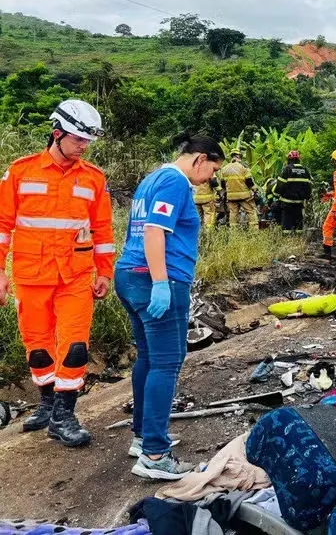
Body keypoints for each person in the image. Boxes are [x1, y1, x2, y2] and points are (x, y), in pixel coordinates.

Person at [0, 99, 114, 447]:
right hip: (32, 275)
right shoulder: (20, 172)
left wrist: (105, 273)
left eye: (87, 141)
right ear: (57, 133)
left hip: (76, 276)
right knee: (37, 347)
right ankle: (47, 404)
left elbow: (103, 230)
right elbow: (2, 226)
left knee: (75, 346)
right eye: (78, 139)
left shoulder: (94, 179)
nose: (83, 146)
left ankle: (64, 415)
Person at [115, 134, 225, 479]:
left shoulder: (152, 178)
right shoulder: (176, 183)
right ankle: (155, 455)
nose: (211, 177)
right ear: (200, 159)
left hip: (129, 275)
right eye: (213, 169)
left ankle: (144, 437)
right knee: (166, 364)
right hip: (155, 279)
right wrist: (162, 282)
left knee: (148, 358)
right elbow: (153, 231)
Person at [274, 150, 313, 232]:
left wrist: (276, 196)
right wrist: (307, 197)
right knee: (298, 221)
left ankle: (287, 239)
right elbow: (309, 186)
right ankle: (298, 237)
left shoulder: (287, 169)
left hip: (287, 202)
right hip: (299, 202)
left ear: (289, 159)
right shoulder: (305, 170)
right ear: (299, 159)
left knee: (287, 221)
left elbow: (280, 185)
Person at [219, 151, 258, 228]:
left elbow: (223, 184)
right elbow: (249, 181)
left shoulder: (224, 169)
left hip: (231, 196)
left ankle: (234, 232)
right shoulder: (243, 167)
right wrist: (255, 190)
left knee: (233, 213)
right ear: (238, 156)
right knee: (251, 212)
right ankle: (254, 231)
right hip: (244, 196)